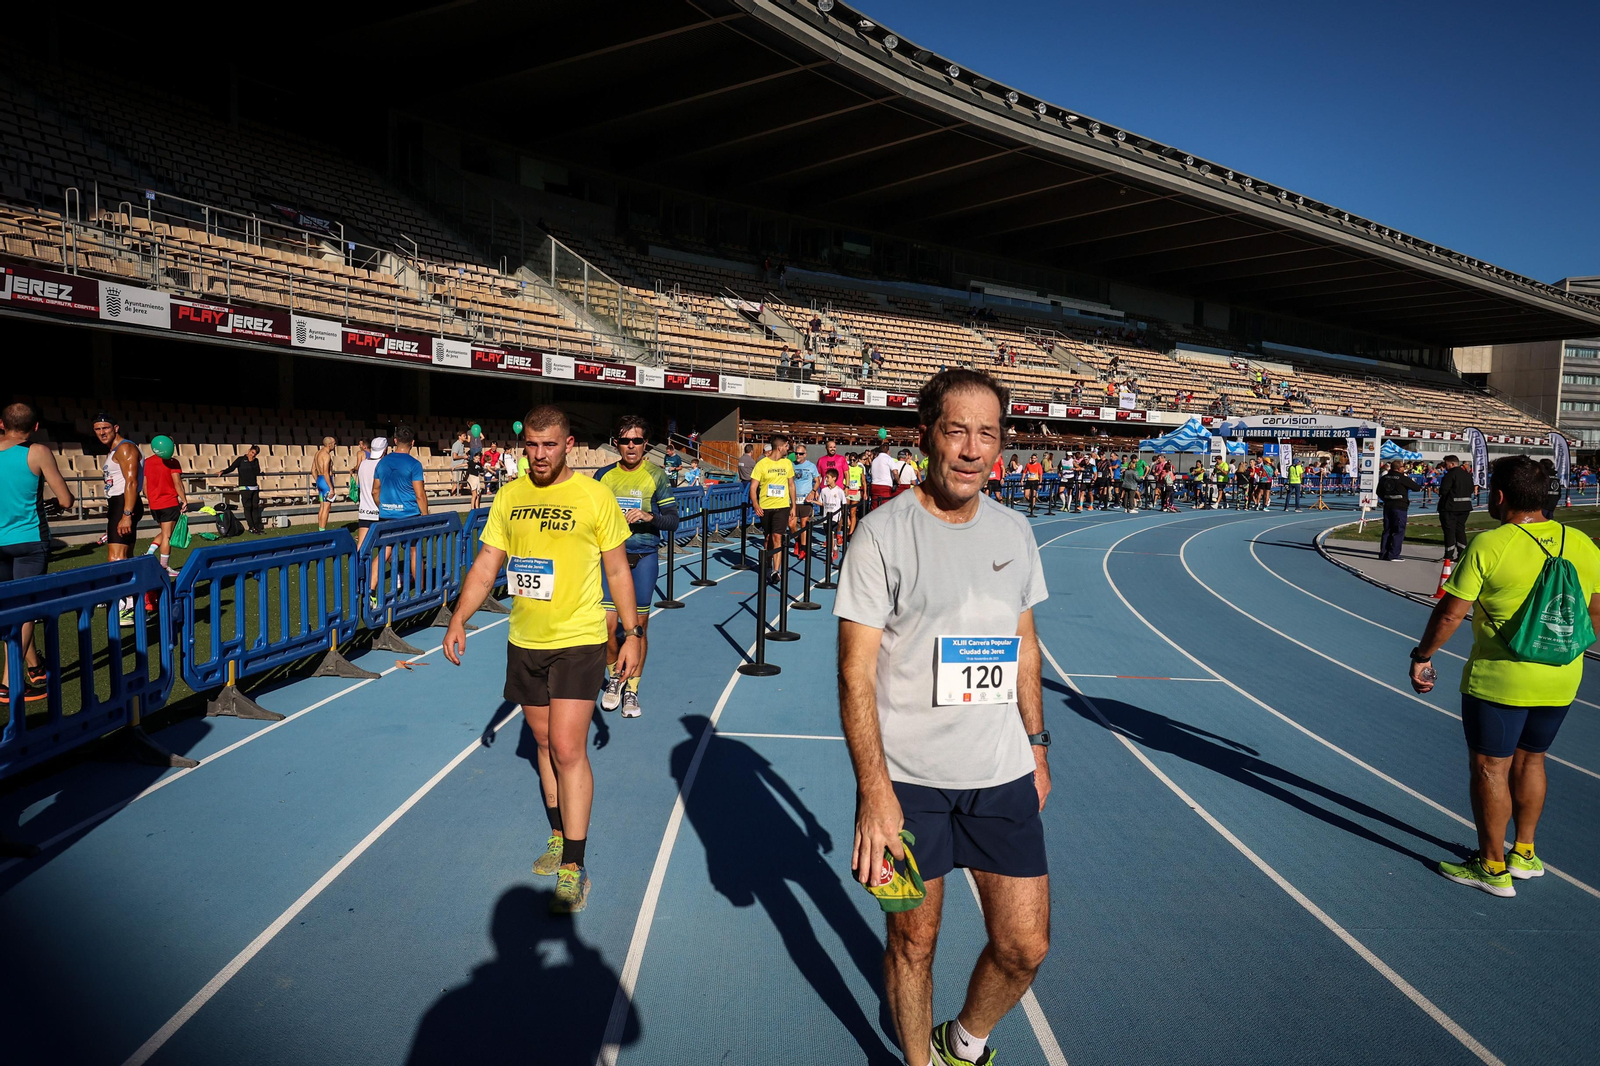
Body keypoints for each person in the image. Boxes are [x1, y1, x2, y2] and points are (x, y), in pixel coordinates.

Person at [835, 368, 1050, 1066]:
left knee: (1025, 948)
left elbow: (1023, 646)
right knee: (912, 942)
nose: (971, 448)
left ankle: (962, 1043)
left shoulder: (1016, 532)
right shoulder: (881, 535)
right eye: (956, 430)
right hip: (908, 785)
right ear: (926, 434)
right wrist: (874, 794)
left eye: (986, 433)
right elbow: (854, 672)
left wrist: (1038, 746)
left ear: (1001, 445)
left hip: (1000, 775)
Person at [444, 406, 641, 916]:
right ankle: (558, 835)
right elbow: (489, 564)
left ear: (568, 444)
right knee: (541, 742)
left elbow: (618, 571)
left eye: (549, 445)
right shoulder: (510, 496)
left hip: (578, 639)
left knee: (567, 747)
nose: (539, 454)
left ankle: (575, 865)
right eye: (531, 445)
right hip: (525, 639)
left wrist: (631, 633)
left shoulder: (594, 496)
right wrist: (459, 616)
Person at [1410, 455, 1600, 897]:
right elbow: (1594, 611)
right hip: (1561, 676)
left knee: (1490, 767)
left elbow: (1451, 612)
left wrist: (1422, 655)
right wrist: (1567, 650)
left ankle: (1492, 868)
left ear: (1498, 496)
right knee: (1533, 759)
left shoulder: (1491, 544)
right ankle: (1526, 853)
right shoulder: (1583, 544)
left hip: (1501, 678)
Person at [595, 416, 679, 719]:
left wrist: (648, 517)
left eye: (637, 441)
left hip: (643, 558)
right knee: (607, 627)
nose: (631, 446)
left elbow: (672, 520)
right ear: (617, 443)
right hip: (609, 559)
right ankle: (615, 679)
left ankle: (632, 687)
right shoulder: (603, 476)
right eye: (626, 440)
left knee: (638, 629)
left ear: (646, 444)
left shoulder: (656, 475)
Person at [0, 403, 74, 705]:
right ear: (34, 427)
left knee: (9, 608)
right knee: (27, 610)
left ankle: (35, 667)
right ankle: (7, 684)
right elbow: (67, 500)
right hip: (30, 540)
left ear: (1, 424)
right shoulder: (38, 452)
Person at [369, 426, 429, 607]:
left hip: (387, 515)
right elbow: (420, 494)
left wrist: (384, 508)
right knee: (414, 551)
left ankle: (370, 591)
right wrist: (425, 517)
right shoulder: (414, 464)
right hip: (410, 515)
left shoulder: (382, 462)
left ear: (394, 441)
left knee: (384, 552)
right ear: (412, 443)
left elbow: (375, 491)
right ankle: (421, 591)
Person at [94, 414, 144, 626]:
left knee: (116, 558)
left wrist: (126, 514)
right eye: (97, 429)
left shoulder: (125, 448)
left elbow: (131, 482)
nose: (102, 432)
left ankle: (125, 608)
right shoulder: (115, 450)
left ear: (115, 427)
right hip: (119, 504)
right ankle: (132, 606)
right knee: (126, 556)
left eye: (105, 428)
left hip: (124, 504)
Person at [750, 434, 798, 585]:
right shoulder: (762, 464)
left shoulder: (787, 464)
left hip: (782, 506)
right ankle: (767, 565)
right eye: (786, 446)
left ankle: (776, 571)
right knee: (768, 538)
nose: (788, 449)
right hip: (765, 506)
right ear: (780, 447)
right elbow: (753, 487)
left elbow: (791, 485)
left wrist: (793, 506)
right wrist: (756, 504)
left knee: (778, 537)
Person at [141, 435, 187, 578]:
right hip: (169, 503)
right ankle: (164, 566)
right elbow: (177, 484)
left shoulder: (147, 462)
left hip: (155, 505)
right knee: (167, 535)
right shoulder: (172, 462)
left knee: (165, 531)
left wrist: (152, 500)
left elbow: (145, 486)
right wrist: (184, 499)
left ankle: (149, 553)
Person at [1377, 461, 1419, 562]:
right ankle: (1393, 554)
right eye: (1403, 467)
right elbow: (1417, 487)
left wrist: (1386, 499)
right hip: (1400, 506)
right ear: (1399, 468)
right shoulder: (1402, 478)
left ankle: (1384, 553)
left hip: (1388, 506)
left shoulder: (1384, 478)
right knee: (1398, 530)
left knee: (1387, 530)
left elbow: (1378, 491)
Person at [220, 444, 264, 534]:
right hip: (245, 487)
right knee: (247, 507)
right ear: (249, 450)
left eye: (255, 454)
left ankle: (257, 526)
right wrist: (223, 471)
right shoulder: (240, 460)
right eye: (252, 452)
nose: (253, 455)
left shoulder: (255, 461)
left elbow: (257, 472)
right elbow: (231, 468)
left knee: (255, 507)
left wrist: (252, 462)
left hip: (254, 487)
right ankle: (251, 527)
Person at [1437, 455, 1474, 561]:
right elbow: (1471, 489)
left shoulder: (1450, 475)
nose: (1445, 466)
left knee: (1449, 531)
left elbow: (1443, 491)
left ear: (1452, 464)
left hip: (1450, 507)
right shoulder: (1467, 475)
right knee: (1460, 530)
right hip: (1465, 507)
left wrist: (1440, 493)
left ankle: (1448, 555)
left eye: (1446, 464)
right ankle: (1462, 554)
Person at [353, 437, 385, 553]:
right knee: (387, 546)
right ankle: (377, 570)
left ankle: (357, 570)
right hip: (379, 510)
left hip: (365, 510)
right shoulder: (383, 465)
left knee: (361, 545)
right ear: (385, 450)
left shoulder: (363, 464)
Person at [791, 444, 820, 560]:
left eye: (800, 453)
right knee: (791, 524)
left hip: (806, 499)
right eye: (796, 453)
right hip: (793, 499)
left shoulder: (811, 466)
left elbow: (817, 480)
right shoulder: (791, 465)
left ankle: (803, 548)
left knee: (803, 524)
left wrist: (813, 491)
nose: (798, 455)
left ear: (805, 454)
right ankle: (797, 540)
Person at [819, 469, 847, 559]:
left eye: (828, 477)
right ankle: (834, 548)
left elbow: (844, 505)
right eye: (825, 477)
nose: (826, 479)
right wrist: (813, 501)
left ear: (834, 478)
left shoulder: (839, 491)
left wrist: (846, 517)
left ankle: (830, 555)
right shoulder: (824, 490)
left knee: (830, 534)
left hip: (835, 517)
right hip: (825, 516)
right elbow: (822, 503)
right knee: (829, 536)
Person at [312, 437, 338, 531]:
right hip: (326, 481)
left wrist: (318, 481)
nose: (335, 445)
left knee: (322, 506)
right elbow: (326, 472)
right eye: (334, 443)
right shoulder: (326, 455)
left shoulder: (317, 453)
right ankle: (322, 530)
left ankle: (320, 528)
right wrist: (331, 488)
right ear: (329, 444)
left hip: (320, 481)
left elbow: (313, 470)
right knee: (327, 508)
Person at [868, 442, 895, 509]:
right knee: (885, 507)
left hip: (874, 485)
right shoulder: (889, 459)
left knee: (874, 506)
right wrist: (897, 480)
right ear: (888, 451)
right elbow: (895, 471)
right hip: (885, 486)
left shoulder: (874, 460)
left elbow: (871, 472)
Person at [845, 451, 866, 534]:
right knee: (845, 509)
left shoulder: (860, 469)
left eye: (854, 460)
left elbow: (864, 481)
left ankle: (851, 532)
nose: (852, 462)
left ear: (857, 460)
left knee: (853, 512)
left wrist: (865, 493)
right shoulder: (847, 468)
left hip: (856, 491)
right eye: (850, 460)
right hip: (848, 490)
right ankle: (847, 520)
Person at [450, 430, 470, 495]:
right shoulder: (456, 445)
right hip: (456, 466)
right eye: (464, 436)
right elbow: (454, 456)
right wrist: (463, 457)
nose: (465, 437)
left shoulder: (462, 445)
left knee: (460, 483)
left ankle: (459, 495)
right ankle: (452, 496)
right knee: (456, 483)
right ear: (459, 436)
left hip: (462, 466)